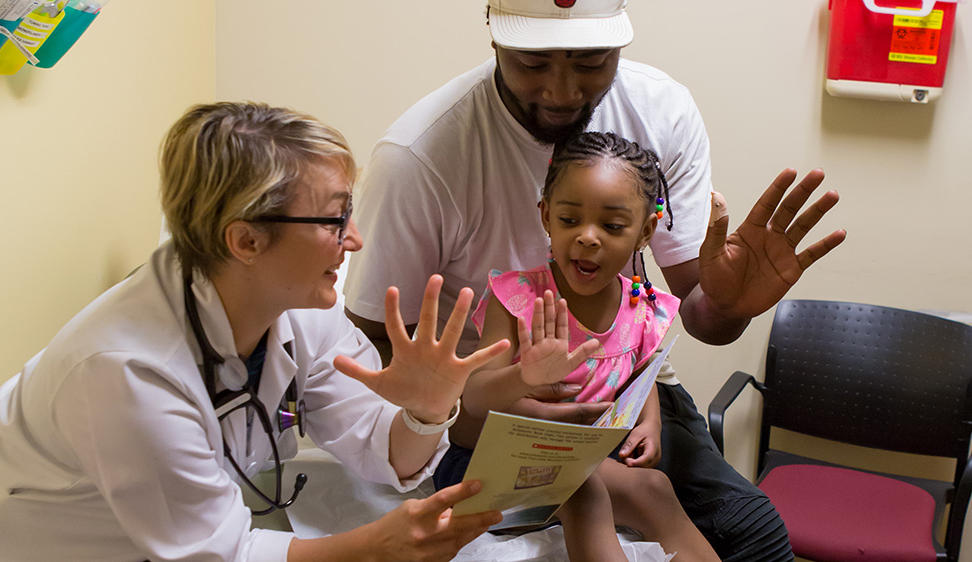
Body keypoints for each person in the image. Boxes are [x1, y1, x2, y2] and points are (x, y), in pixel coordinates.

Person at [342, 1, 845, 560]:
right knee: (587, 496)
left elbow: (683, 324)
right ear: (493, 36)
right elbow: (372, 337)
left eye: (590, 61)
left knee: (755, 536)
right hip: (485, 412)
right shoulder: (419, 158)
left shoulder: (662, 111)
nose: (561, 91)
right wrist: (498, 399)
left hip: (621, 398)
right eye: (533, 62)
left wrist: (728, 304)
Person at [0, 102, 509, 562]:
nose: (355, 240)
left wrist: (428, 410)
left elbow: (379, 449)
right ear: (246, 242)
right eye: (334, 219)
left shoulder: (298, 305)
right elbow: (217, 554)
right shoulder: (129, 372)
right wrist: (372, 546)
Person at [444, 131, 721, 562]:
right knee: (580, 487)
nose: (588, 237)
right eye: (570, 220)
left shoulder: (642, 306)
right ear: (546, 216)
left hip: (578, 456)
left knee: (655, 487)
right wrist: (524, 376)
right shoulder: (517, 298)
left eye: (612, 226)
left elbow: (641, 372)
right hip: (487, 465)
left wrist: (650, 422)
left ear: (645, 231)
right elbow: (473, 401)